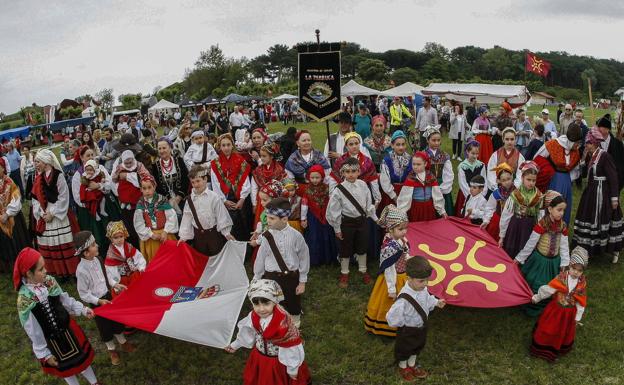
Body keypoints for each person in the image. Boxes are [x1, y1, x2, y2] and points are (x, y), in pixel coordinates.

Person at [14, 248, 99, 385]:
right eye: (41, 270)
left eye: (44, 267)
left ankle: (94, 383)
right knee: (65, 368)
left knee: (81, 360)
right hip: (51, 340)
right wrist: (44, 354)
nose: (45, 271)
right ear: (29, 274)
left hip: (68, 330)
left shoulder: (49, 281)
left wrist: (82, 309)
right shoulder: (24, 300)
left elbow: (65, 300)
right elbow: (33, 331)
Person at [224, 279, 311, 385]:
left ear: (274, 302)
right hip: (260, 359)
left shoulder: (283, 323)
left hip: (279, 362)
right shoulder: (253, 316)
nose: (261, 309)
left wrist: (292, 369)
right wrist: (235, 345)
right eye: (256, 304)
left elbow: (291, 346)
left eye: (266, 303)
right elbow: (248, 332)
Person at [74, 231, 136, 365]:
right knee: (104, 327)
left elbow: (106, 275)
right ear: (86, 253)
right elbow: (83, 293)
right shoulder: (81, 271)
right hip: (97, 303)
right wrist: (98, 301)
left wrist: (115, 284)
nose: (97, 246)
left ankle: (122, 341)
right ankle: (111, 349)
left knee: (116, 321)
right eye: (93, 245)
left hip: (108, 296)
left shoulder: (99, 260)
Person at [386, 255, 446, 381]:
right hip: (407, 330)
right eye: (421, 281)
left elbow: (427, 299)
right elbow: (393, 316)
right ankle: (403, 367)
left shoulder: (422, 289)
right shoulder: (404, 298)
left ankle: (412, 365)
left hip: (421, 327)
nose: (425, 284)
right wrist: (403, 324)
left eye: (427, 280)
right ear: (409, 279)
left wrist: (436, 302)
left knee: (417, 346)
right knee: (404, 349)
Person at [253, 198, 310, 328]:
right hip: (271, 278)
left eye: (272, 218)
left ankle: (295, 327)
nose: (268, 221)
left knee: (293, 303)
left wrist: (302, 281)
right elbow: (261, 258)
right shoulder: (266, 236)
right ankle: (276, 326)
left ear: (284, 219)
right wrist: (256, 278)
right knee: (273, 303)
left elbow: (304, 258)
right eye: (267, 217)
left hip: (291, 277)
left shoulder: (296, 236)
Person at [573, 127, 623, 263]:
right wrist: (583, 160)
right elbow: (585, 175)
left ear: (594, 143)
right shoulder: (591, 155)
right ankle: (589, 248)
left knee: (607, 218)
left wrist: (614, 198)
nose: (586, 145)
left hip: (603, 193)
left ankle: (615, 250)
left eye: (588, 143)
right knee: (588, 218)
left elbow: (613, 177)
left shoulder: (604, 156)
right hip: (591, 192)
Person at [327, 157, 378, 288]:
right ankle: (344, 272)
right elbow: (334, 211)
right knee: (345, 247)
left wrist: (376, 219)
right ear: (342, 173)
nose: (351, 174)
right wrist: (337, 229)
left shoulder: (363, 185)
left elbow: (368, 205)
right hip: (347, 223)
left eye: (354, 171)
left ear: (359, 171)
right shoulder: (338, 190)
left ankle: (363, 269)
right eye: (347, 171)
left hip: (362, 221)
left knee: (362, 245)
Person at [515, 193, 569, 317]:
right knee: (535, 283)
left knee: (551, 285)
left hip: (554, 261)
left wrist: (564, 263)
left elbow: (564, 246)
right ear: (550, 209)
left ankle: (546, 306)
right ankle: (530, 303)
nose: (561, 213)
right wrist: (519, 258)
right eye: (559, 210)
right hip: (540, 261)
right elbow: (531, 243)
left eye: (563, 210)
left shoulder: (563, 226)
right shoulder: (542, 224)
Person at [530, 246, 588, 362]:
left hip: (568, 315)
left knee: (562, 332)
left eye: (579, 270)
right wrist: (537, 297)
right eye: (574, 268)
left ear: (582, 271)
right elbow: (549, 289)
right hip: (555, 311)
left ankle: (556, 348)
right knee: (549, 328)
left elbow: (581, 302)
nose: (576, 272)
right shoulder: (561, 278)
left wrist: (577, 317)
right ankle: (541, 346)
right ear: (569, 266)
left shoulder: (581, 284)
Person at [32, 149, 79, 278]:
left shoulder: (58, 176)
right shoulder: (38, 179)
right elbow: (35, 199)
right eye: (35, 162)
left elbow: (64, 197)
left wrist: (53, 213)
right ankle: (58, 272)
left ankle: (70, 271)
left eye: (38, 162)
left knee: (64, 242)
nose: (36, 165)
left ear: (46, 162)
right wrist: (42, 214)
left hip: (59, 214)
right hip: (45, 214)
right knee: (51, 244)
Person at [364, 205, 410, 337]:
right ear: (390, 229)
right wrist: (391, 288)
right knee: (389, 304)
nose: (404, 231)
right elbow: (389, 269)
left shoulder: (400, 239)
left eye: (405, 228)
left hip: (403, 275)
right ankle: (387, 327)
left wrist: (407, 257)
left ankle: (404, 322)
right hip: (393, 280)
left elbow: (405, 251)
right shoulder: (389, 247)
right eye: (400, 229)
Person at [179, 165, 234, 256]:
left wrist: (226, 233)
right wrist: (183, 237)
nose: (195, 185)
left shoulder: (214, 197)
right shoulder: (189, 200)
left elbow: (221, 215)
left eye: (198, 181)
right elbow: (187, 217)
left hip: (214, 234)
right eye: (193, 182)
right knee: (202, 258)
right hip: (199, 236)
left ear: (205, 179)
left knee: (217, 256)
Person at [533, 123, 582, 223]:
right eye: (577, 143)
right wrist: (547, 171)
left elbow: (575, 168)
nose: (578, 145)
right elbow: (537, 158)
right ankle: (546, 229)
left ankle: (561, 231)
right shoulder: (553, 144)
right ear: (571, 141)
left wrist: (569, 178)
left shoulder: (575, 151)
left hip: (567, 181)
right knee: (553, 204)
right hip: (553, 180)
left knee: (564, 206)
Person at [211, 133, 253, 241]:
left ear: (232, 145)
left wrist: (242, 198)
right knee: (228, 225)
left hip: (240, 198)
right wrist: (223, 200)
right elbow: (215, 184)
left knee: (244, 224)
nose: (226, 148)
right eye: (223, 145)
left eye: (228, 145)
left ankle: (245, 249)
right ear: (219, 146)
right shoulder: (215, 163)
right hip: (225, 198)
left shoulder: (240, 160)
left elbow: (245, 181)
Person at [499, 161, 544, 258]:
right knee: (511, 249)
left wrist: (539, 233)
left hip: (529, 227)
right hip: (515, 225)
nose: (531, 183)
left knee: (525, 248)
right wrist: (502, 235)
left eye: (534, 180)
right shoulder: (515, 195)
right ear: (522, 178)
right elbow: (506, 215)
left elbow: (541, 216)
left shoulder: (539, 195)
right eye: (528, 179)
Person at [73, 148, 114, 248]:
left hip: (105, 205)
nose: (91, 157)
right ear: (82, 158)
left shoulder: (101, 169)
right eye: (88, 155)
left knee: (110, 231)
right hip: (89, 209)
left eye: (92, 154)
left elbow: (109, 184)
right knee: (96, 234)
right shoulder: (78, 175)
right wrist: (90, 202)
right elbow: (77, 196)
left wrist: (99, 186)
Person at [111, 150, 151, 248]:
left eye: (130, 162)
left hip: (138, 198)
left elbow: (146, 177)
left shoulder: (139, 165)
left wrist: (128, 176)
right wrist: (117, 177)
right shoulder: (120, 166)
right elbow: (114, 178)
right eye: (126, 163)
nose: (128, 165)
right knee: (130, 226)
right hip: (124, 196)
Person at [133, 175, 178, 262]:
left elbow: (171, 217)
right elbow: (139, 224)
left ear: (154, 187)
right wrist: (151, 234)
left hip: (165, 235)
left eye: (149, 187)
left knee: (171, 258)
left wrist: (165, 231)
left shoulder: (162, 200)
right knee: (156, 260)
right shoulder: (140, 204)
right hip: (151, 238)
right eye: (144, 188)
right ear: (141, 189)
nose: (147, 191)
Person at [300, 165, 337, 266]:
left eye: (317, 177)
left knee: (326, 236)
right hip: (313, 217)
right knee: (314, 237)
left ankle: (328, 258)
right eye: (312, 178)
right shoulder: (307, 190)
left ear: (322, 177)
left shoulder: (327, 188)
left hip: (326, 216)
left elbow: (331, 201)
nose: (315, 180)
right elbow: (304, 204)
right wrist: (303, 218)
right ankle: (315, 260)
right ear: (309, 177)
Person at [0, 157, 31, 272]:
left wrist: (7, 214)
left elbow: (16, 200)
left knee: (17, 241)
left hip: (13, 218)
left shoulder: (9, 182)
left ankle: (23, 262)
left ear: (3, 168)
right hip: (1, 219)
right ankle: (9, 265)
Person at [397, 152, 447, 222]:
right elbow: (404, 197)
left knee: (429, 226)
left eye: (418, 164)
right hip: (416, 208)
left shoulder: (430, 176)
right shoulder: (411, 178)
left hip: (429, 207)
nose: (415, 167)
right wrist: (402, 212)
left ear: (425, 164)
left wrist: (442, 211)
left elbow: (437, 195)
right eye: (413, 164)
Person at [104, 221, 146, 298]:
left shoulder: (129, 247)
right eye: (116, 237)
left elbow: (138, 257)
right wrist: (114, 283)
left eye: (121, 236)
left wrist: (141, 268)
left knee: (139, 294)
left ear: (125, 235)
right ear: (111, 238)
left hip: (134, 276)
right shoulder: (111, 254)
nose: (119, 239)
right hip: (122, 281)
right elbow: (108, 272)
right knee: (127, 297)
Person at [152, 137, 189, 217]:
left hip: (181, 198)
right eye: (159, 148)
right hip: (165, 200)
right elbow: (157, 184)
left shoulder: (179, 161)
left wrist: (179, 196)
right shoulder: (155, 166)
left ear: (170, 147)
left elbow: (185, 179)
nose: (162, 151)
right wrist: (169, 198)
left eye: (164, 148)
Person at [251, 142, 286, 224]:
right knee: (262, 222)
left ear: (271, 156)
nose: (261, 158)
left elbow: (283, 187)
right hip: (261, 201)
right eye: (260, 156)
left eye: (264, 156)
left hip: (275, 202)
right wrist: (254, 203)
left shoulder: (279, 170)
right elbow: (254, 187)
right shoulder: (258, 170)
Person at [423, 126, 454, 215]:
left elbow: (449, 174)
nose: (436, 143)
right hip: (428, 185)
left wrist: (444, 187)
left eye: (438, 140)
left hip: (442, 184)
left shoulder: (444, 155)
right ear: (427, 140)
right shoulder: (423, 155)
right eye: (433, 140)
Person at [482, 163, 515, 241]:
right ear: (499, 181)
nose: (507, 182)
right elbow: (489, 208)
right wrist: (486, 220)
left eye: (508, 178)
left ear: (512, 177)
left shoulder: (517, 193)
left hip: (512, 223)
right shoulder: (496, 194)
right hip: (497, 223)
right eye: (503, 180)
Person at [486, 127, 524, 193]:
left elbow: (520, 174)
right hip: (498, 188)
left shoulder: (520, 157)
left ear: (515, 140)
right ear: (503, 140)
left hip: (513, 189)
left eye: (512, 139)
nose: (509, 142)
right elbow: (491, 172)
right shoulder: (496, 155)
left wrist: (514, 187)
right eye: (507, 139)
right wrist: (496, 187)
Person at [454, 141, 486, 217]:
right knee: (464, 214)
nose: (475, 156)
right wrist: (470, 195)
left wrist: (481, 194)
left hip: (479, 193)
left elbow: (484, 180)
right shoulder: (462, 166)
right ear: (467, 152)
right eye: (473, 153)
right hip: (466, 194)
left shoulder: (481, 165)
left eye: (477, 154)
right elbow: (462, 183)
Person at [597, 114, 624, 193]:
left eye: (600, 127)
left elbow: (621, 164)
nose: (598, 129)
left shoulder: (618, 144)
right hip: (599, 183)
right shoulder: (595, 143)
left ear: (607, 129)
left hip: (614, 182)